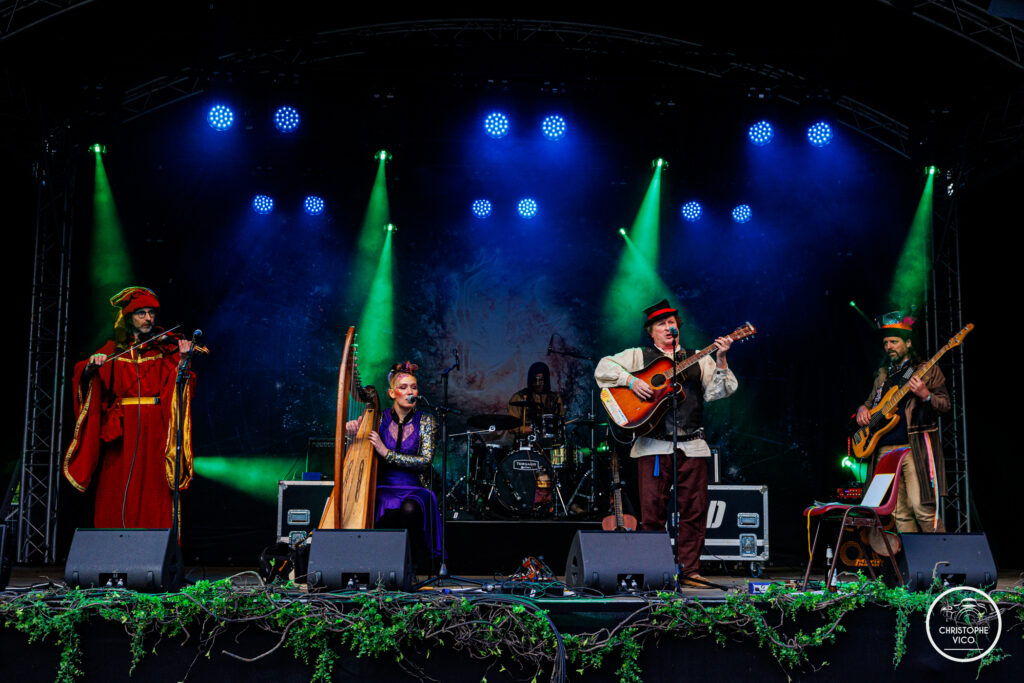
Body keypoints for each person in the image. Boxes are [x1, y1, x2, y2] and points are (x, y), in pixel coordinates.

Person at [595, 299, 737, 586]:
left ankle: (689, 571)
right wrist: (631, 382)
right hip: (653, 447)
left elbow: (721, 391)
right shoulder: (639, 356)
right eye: (662, 324)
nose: (669, 327)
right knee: (652, 513)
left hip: (692, 445)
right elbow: (602, 368)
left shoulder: (698, 357)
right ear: (651, 332)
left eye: (672, 323)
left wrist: (721, 359)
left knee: (695, 511)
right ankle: (655, 570)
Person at [63, 287, 195, 531]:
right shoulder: (115, 349)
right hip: (123, 433)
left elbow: (176, 386)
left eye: (151, 313)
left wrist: (184, 360)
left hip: (156, 429)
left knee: (155, 488)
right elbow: (83, 371)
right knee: (117, 485)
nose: (148, 319)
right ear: (128, 318)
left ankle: (156, 552)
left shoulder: (165, 349)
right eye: (141, 313)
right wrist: (92, 367)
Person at [855, 311, 949, 533]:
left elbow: (945, 405)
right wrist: (862, 409)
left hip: (912, 448)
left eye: (894, 342)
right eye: (886, 342)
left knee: (922, 508)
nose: (889, 346)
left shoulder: (926, 369)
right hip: (883, 449)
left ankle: (944, 564)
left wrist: (926, 394)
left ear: (907, 343)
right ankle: (915, 566)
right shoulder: (882, 373)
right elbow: (869, 403)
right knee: (898, 512)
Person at [347, 361, 441, 570]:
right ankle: (384, 567)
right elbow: (359, 451)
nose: (410, 391)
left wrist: (386, 452)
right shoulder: (377, 419)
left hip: (415, 486)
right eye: (404, 387)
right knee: (386, 505)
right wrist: (352, 432)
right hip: (384, 486)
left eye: (414, 387)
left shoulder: (427, 421)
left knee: (410, 507)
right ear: (391, 393)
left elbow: (425, 462)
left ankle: (410, 566)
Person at [508, 361, 565, 439]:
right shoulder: (519, 397)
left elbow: (560, 420)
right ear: (531, 380)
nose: (538, 384)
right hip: (526, 442)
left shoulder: (555, 398)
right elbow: (511, 427)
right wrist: (527, 429)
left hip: (551, 441)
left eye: (542, 380)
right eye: (536, 380)